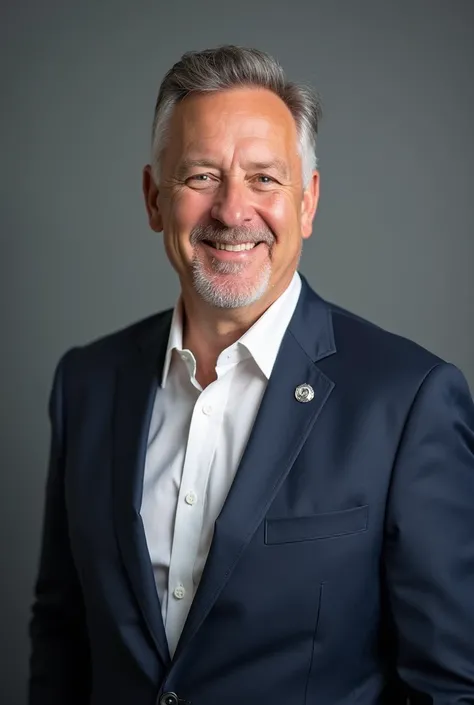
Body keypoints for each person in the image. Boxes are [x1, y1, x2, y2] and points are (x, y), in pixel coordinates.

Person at [29, 45, 474, 705]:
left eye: (264, 178)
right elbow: (63, 639)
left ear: (308, 200)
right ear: (155, 199)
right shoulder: (87, 384)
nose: (233, 212)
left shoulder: (408, 400)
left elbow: (450, 687)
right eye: (202, 175)